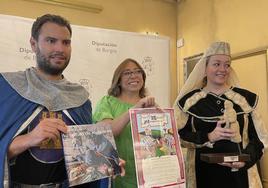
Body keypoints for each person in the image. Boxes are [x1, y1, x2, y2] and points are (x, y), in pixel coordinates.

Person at [0, 14, 124, 188]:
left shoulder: (80, 99)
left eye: (66, 42)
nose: (60, 48)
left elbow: (83, 157)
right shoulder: (7, 89)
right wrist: (29, 139)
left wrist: (105, 161)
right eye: (51, 41)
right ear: (33, 44)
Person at [173, 41, 268, 188]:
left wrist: (245, 160)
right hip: (202, 176)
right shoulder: (189, 102)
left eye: (227, 65)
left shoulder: (245, 100)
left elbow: (259, 139)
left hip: (241, 177)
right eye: (216, 64)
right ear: (204, 68)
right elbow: (176, 137)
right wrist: (209, 136)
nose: (223, 69)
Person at [93, 58, 156, 188]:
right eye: (127, 73)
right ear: (118, 80)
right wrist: (134, 110)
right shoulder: (107, 102)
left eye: (138, 71)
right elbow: (107, 132)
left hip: (147, 177)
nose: (134, 75)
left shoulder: (150, 105)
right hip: (118, 176)